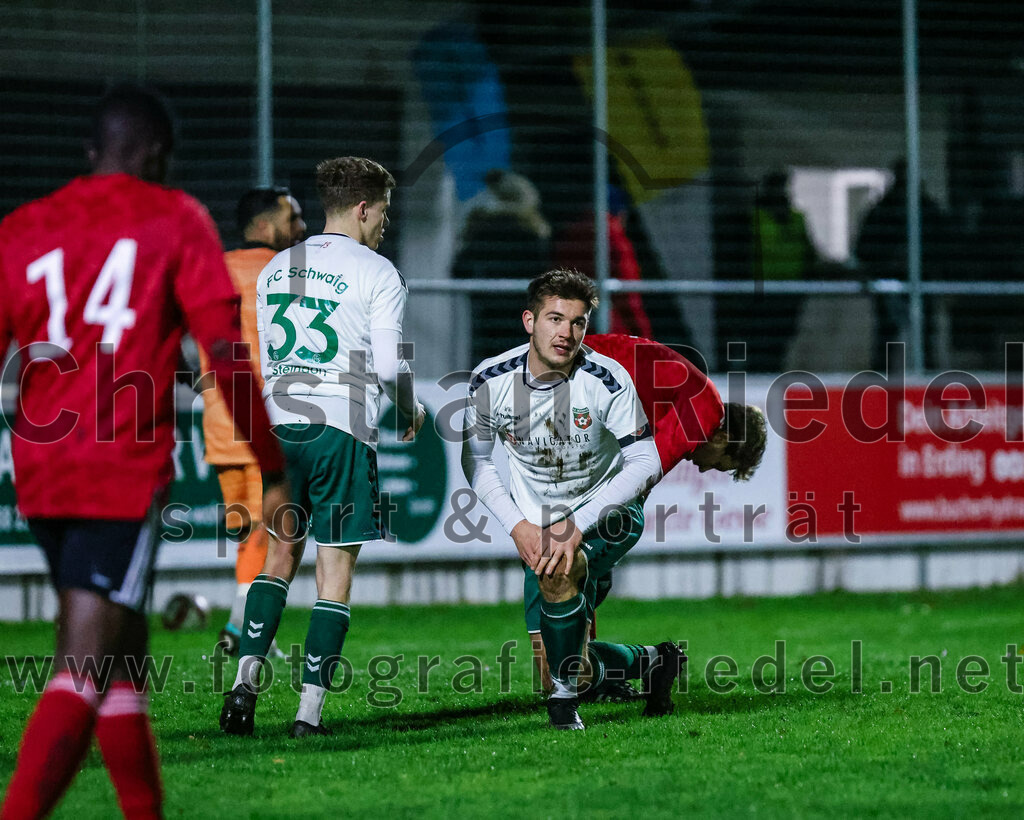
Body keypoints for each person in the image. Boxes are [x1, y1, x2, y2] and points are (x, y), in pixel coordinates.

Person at [0, 84, 289, 820]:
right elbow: (224, 354)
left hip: (39, 473)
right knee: (85, 668)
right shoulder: (173, 218)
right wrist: (273, 461)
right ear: (160, 156)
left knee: (124, 664)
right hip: (117, 471)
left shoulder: (23, 228)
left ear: (91, 153)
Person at [219, 156, 425, 739]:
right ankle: (308, 715)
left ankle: (243, 688)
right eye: (384, 210)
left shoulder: (276, 268)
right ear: (363, 208)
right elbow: (387, 366)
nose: (386, 222)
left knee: (277, 556)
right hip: (341, 427)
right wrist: (411, 410)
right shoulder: (378, 272)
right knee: (333, 574)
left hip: (282, 429)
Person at [461, 269, 682, 731]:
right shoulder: (490, 380)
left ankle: (563, 709)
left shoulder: (606, 379)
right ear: (529, 320)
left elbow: (645, 463)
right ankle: (651, 662)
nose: (566, 333)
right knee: (561, 666)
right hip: (538, 527)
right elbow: (477, 464)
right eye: (555, 319)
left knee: (559, 571)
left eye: (578, 322)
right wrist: (518, 526)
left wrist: (575, 525)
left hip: (611, 517)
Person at [526, 333, 768, 697]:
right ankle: (648, 659)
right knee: (558, 664)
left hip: (557, 383)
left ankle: (596, 639)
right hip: (560, 383)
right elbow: (644, 471)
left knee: (557, 663)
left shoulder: (693, 401)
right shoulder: (705, 413)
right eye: (719, 465)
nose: (705, 471)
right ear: (723, 438)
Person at [200, 186, 305, 655]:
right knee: (273, 532)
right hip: (267, 421)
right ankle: (246, 631)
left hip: (220, 424)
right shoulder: (289, 272)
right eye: (293, 218)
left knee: (250, 533)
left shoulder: (212, 270)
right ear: (265, 226)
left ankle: (239, 626)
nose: (302, 228)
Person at [452, 169, 552, 367]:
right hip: (524, 315)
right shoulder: (533, 232)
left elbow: (459, 269)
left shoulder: (483, 227)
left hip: (487, 314)